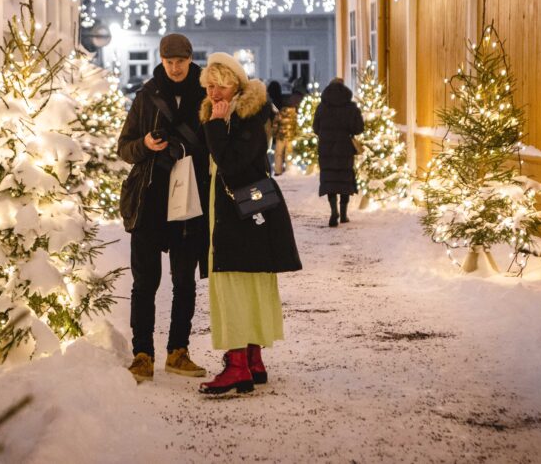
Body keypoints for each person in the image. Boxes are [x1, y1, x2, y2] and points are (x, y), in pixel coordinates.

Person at [198, 53, 302, 395]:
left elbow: (231, 164)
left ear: (237, 85)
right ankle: (253, 359)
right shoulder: (234, 115)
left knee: (234, 284)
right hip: (243, 214)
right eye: (210, 86)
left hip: (240, 216)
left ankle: (238, 365)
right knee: (249, 282)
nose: (214, 94)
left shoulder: (248, 116)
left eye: (221, 86)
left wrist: (215, 125)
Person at [117, 33, 210, 383]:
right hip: (149, 200)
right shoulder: (146, 96)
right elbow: (123, 149)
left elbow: (214, 144)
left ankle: (178, 351)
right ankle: (142, 354)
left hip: (189, 199)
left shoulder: (204, 94)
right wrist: (144, 144)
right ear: (161, 59)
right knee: (145, 282)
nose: (175, 67)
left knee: (184, 281)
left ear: (189, 60)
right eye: (169, 61)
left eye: (181, 62)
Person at [313, 77, 364, 227]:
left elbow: (316, 128)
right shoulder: (351, 107)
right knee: (344, 180)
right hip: (345, 149)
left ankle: (333, 210)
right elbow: (359, 128)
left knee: (330, 180)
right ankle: (343, 214)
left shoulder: (322, 107)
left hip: (326, 149)